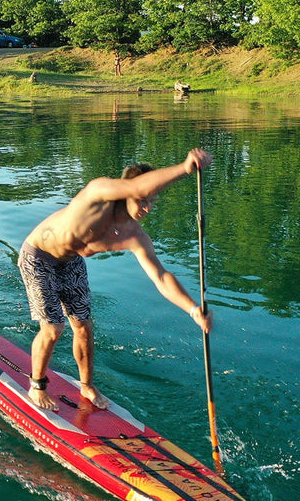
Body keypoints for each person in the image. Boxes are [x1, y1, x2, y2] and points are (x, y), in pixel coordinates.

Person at [17, 149, 215, 411]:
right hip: (38, 256)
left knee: (84, 327)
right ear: (126, 192)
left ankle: (86, 386)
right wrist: (184, 168)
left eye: (152, 201)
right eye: (143, 199)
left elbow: (161, 276)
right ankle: (37, 385)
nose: (147, 207)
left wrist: (193, 309)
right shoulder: (98, 193)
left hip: (71, 260)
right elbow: (136, 185)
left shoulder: (135, 235)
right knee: (53, 328)